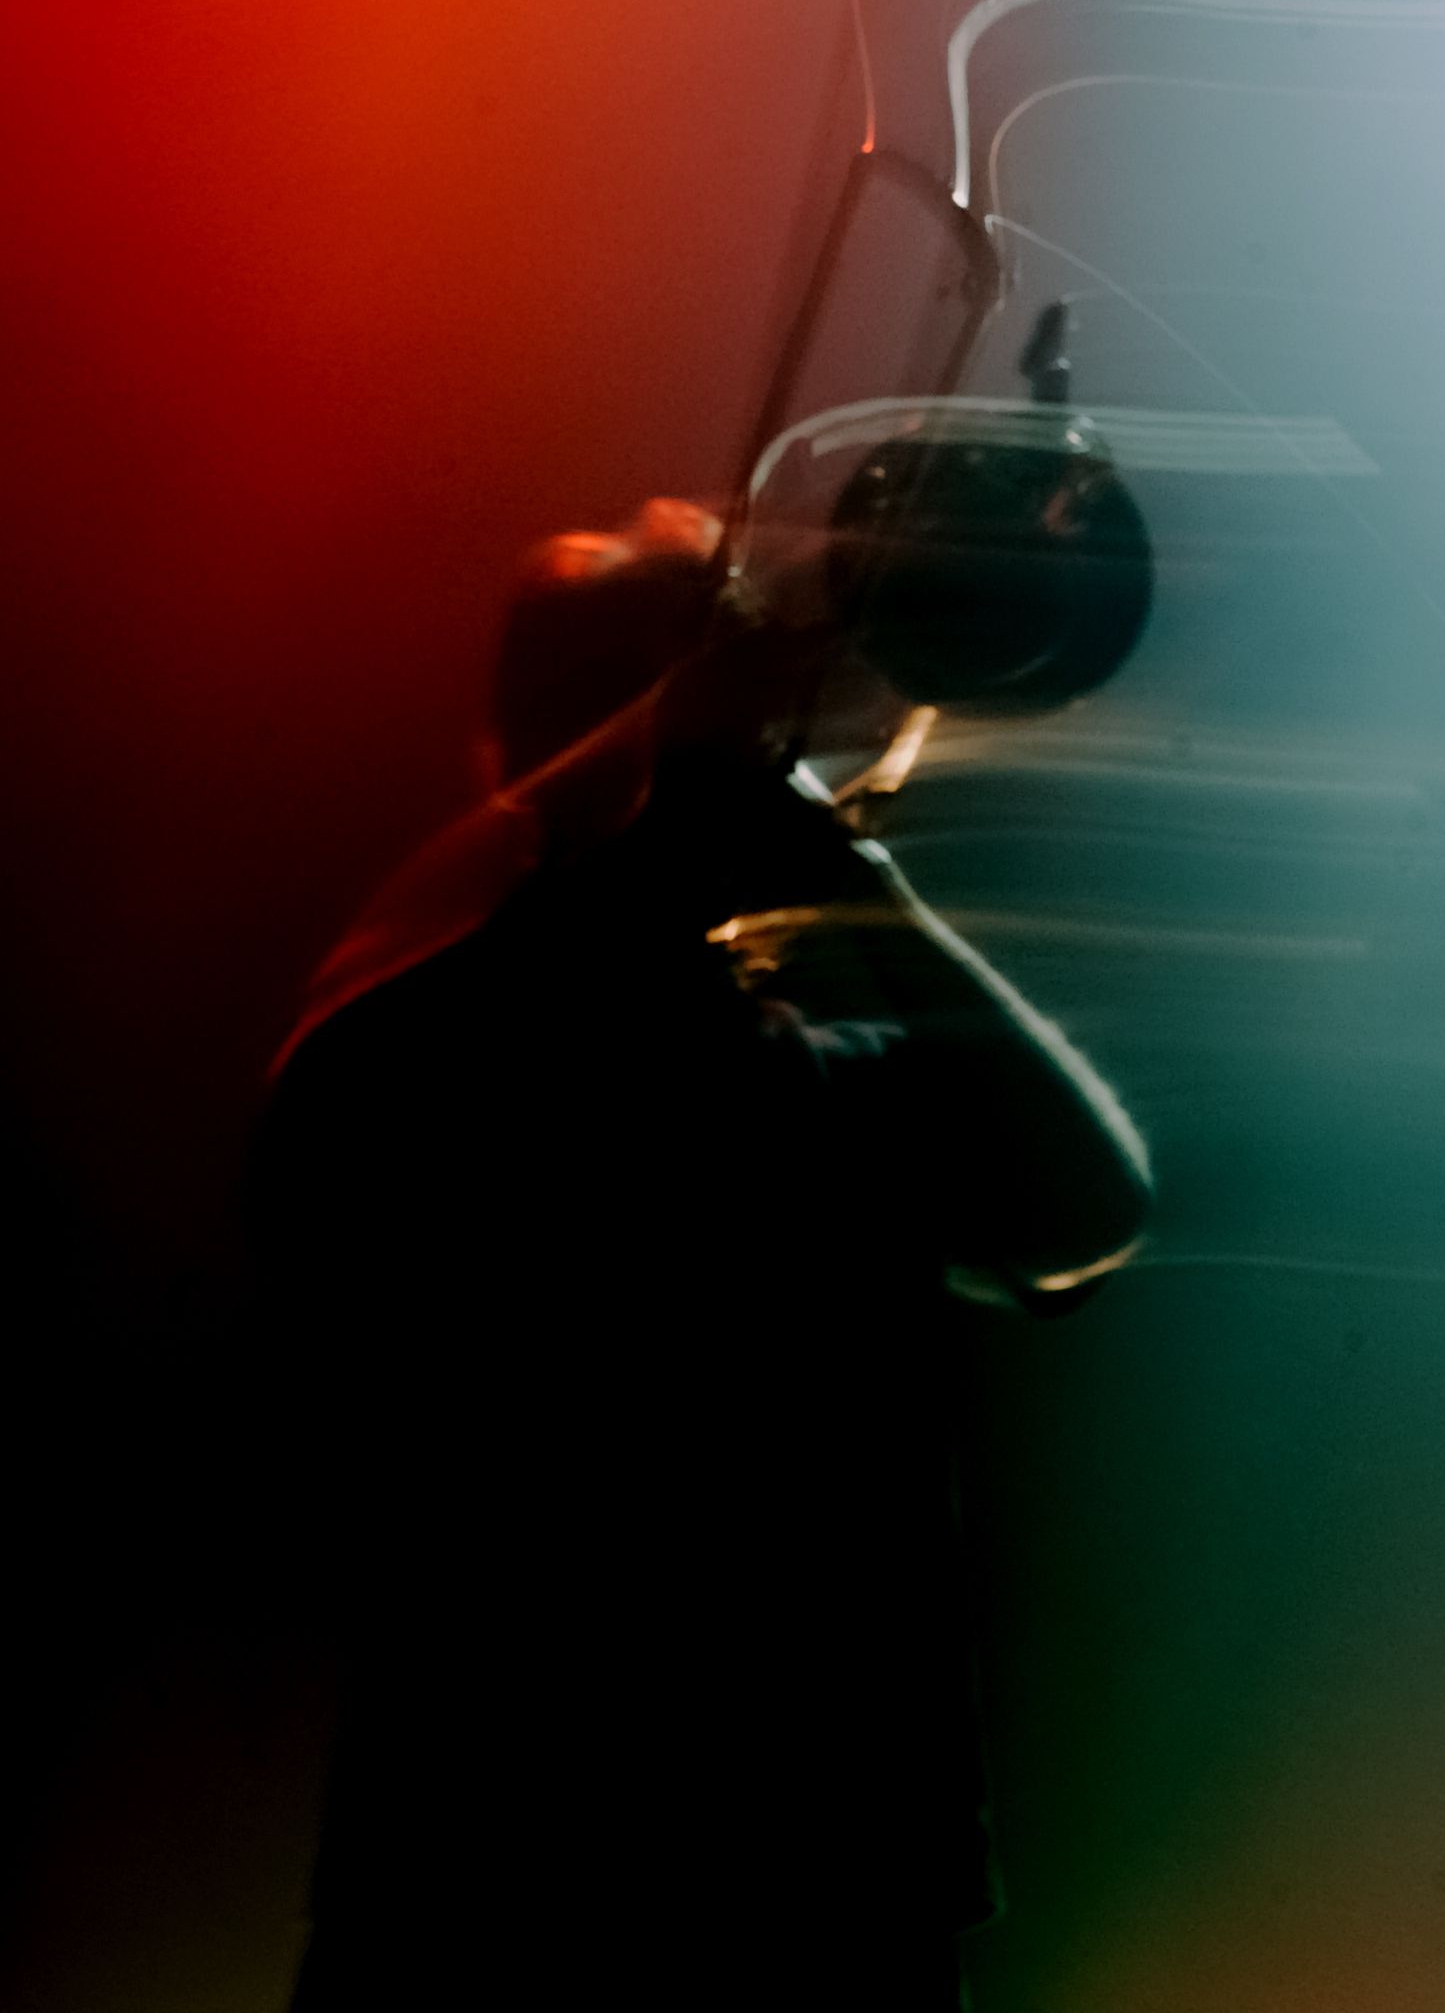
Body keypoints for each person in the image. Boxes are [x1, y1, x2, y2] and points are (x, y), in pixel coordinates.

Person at [250, 497, 1153, 2011]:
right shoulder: (452, 1054)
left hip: (811, 1886)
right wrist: (645, 812)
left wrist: (851, 878)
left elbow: (1088, 1211)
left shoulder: (834, 1081)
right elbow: (328, 1115)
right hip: (496, 1875)